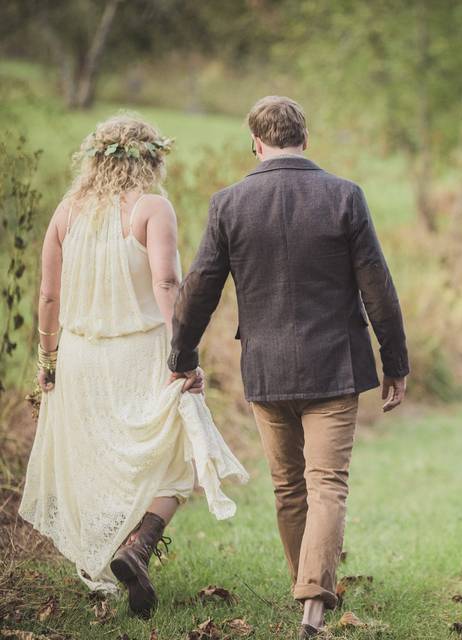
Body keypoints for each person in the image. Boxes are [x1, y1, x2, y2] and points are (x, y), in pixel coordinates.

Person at [168, 95, 409, 639]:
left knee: (288, 488)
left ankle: (307, 590)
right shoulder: (345, 196)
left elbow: (199, 287)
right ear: (306, 138)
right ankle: (313, 605)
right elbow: (378, 284)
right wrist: (394, 362)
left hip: (267, 368)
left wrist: (181, 358)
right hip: (334, 367)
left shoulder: (228, 203)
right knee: (328, 485)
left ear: (256, 142)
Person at [18, 115, 249, 618]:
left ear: (95, 160)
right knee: (182, 454)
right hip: (143, 353)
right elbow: (167, 283)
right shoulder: (152, 208)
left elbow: (49, 294)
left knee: (104, 459)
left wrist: (47, 360)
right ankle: (139, 546)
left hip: (80, 355)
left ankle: (122, 553)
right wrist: (181, 354)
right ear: (152, 161)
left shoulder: (66, 212)